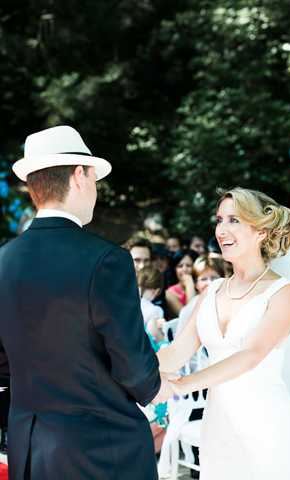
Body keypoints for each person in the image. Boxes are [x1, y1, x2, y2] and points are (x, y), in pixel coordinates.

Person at [0, 125, 171, 480]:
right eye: (94, 178)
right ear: (79, 176)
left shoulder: (3, 261)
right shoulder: (106, 259)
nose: (95, 190)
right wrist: (157, 387)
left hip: (29, 450)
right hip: (101, 450)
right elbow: (133, 365)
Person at [158, 187, 290, 480]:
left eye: (234, 220)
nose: (222, 229)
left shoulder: (283, 292)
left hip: (267, 426)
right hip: (218, 427)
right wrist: (130, 372)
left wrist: (179, 386)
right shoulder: (212, 291)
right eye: (219, 219)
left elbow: (250, 355)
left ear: (261, 233)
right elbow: (177, 353)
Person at [165, 249, 198, 317]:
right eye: (180, 266)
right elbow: (187, 317)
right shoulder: (170, 293)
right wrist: (189, 285)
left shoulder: (201, 286)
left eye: (188, 265)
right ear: (175, 269)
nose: (184, 269)